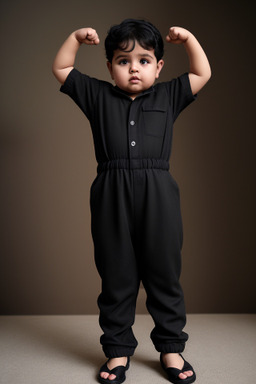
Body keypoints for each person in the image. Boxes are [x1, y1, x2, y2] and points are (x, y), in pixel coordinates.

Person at [52, 18, 211, 384]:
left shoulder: (169, 95)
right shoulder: (97, 96)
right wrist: (75, 37)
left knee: (164, 274)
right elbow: (62, 67)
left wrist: (188, 38)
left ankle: (171, 348)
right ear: (110, 67)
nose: (133, 68)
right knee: (117, 275)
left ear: (158, 67)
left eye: (143, 60)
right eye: (123, 61)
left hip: (160, 194)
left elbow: (202, 72)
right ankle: (118, 350)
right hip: (111, 193)